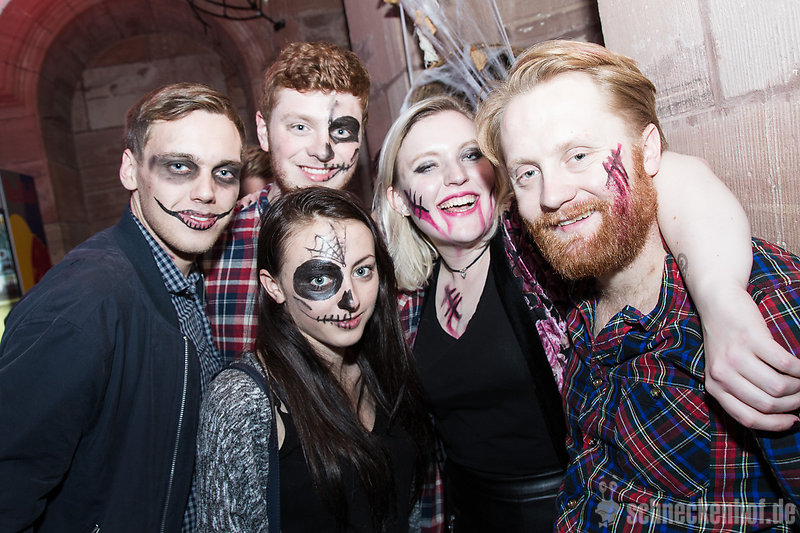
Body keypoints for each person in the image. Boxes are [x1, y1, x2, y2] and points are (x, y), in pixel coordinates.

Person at [373, 91, 798, 531]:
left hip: (566, 506)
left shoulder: (534, 242)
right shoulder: (406, 299)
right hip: (469, 515)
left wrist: (719, 295)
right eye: (427, 166)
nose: (457, 176)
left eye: (470, 155)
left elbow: (671, 174)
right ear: (399, 199)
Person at [476, 39, 800, 531]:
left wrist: (719, 295)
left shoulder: (762, 309)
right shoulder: (574, 292)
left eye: (578, 155)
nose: (552, 195)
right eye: (527, 173)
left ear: (648, 151)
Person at [0, 82, 244, 532]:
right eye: (179, 167)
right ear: (130, 171)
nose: (206, 193)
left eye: (224, 172)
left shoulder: (191, 281)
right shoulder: (82, 304)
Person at [195, 187, 434, 532]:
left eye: (363, 271)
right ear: (274, 286)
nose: (351, 300)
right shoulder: (243, 401)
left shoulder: (385, 366)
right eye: (320, 279)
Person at [202, 41, 370, 364]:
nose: (322, 150)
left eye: (341, 130)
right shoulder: (215, 241)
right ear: (264, 132)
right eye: (300, 127)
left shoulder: (387, 245)